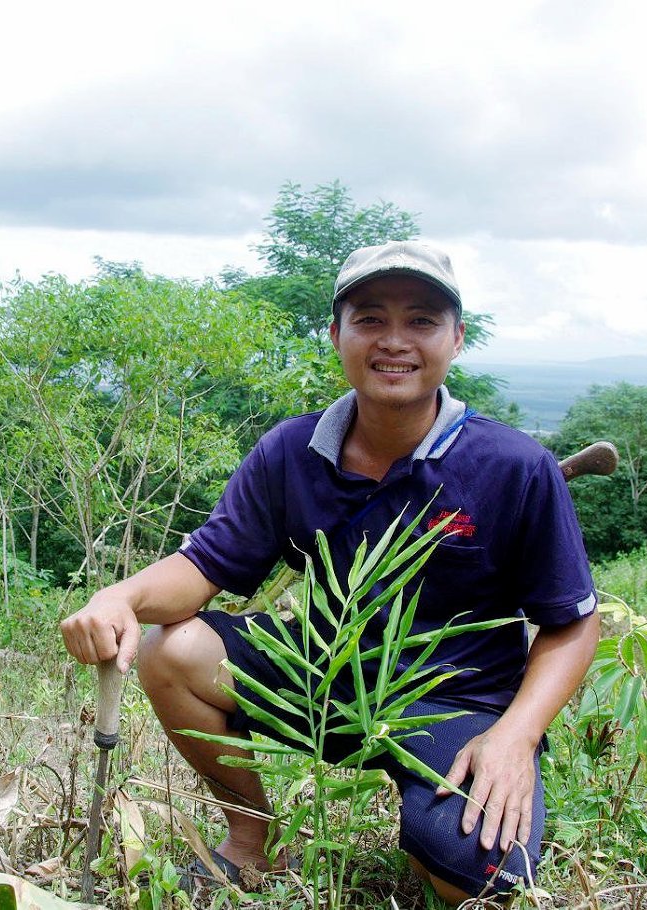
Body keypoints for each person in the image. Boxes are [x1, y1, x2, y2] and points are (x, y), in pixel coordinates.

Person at [61, 241, 600, 904]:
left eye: (422, 321)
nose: (394, 341)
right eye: (370, 319)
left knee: (478, 882)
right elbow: (203, 567)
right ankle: (250, 842)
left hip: (459, 702)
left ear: (457, 339)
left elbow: (572, 623)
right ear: (336, 335)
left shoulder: (514, 466)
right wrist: (120, 596)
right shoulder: (292, 451)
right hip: (325, 677)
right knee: (170, 651)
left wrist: (516, 736)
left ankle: (437, 834)